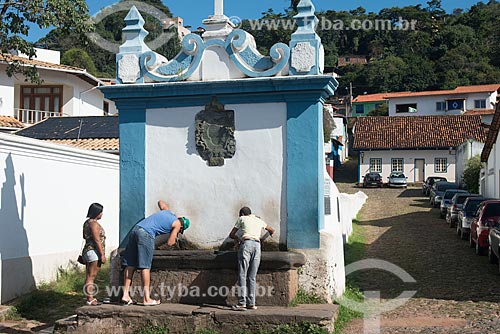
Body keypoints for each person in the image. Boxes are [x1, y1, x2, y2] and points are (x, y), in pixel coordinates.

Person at [121, 200, 190, 306]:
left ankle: (125, 295)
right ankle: (146, 299)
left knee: (130, 265)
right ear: (182, 227)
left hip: (136, 230)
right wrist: (174, 235)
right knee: (145, 266)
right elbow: (170, 243)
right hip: (146, 234)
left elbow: (160, 202)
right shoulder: (176, 224)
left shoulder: (167, 212)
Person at [229, 206, 275, 311]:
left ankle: (241, 303)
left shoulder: (242, 219)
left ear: (241, 214)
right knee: (252, 276)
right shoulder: (258, 220)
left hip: (246, 244)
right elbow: (271, 229)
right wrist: (270, 234)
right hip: (257, 246)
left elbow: (231, 234)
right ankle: (251, 303)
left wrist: (238, 239)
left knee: (242, 274)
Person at [82, 203, 106, 306]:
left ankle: (89, 297)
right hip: (93, 252)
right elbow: (97, 240)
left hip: (88, 251)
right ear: (97, 213)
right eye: (101, 212)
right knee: (91, 277)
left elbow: (84, 237)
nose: (102, 214)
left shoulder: (87, 223)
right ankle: (90, 298)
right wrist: (102, 255)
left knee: (89, 276)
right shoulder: (94, 224)